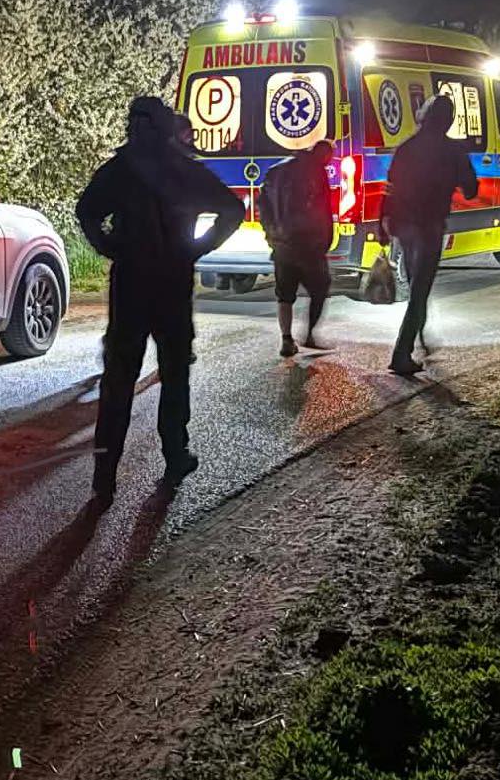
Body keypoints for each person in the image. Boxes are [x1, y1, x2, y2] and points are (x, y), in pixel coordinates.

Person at [76, 97, 242, 504]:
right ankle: (175, 455)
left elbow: (87, 212)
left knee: (119, 381)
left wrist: (109, 247)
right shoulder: (183, 170)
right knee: (174, 374)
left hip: (131, 284)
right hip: (171, 284)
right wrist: (196, 248)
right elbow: (232, 210)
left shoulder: (120, 170)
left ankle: (104, 477)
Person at [381, 95, 481, 378]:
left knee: (417, 285)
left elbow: (390, 188)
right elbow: (471, 189)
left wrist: (382, 224)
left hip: (403, 226)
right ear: (448, 121)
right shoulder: (453, 151)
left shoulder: (406, 148)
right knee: (420, 290)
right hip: (429, 227)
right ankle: (402, 353)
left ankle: (420, 336)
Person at [258, 138, 333, 358]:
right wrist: (325, 241)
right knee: (320, 287)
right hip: (308, 245)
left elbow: (263, 205)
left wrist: (271, 234)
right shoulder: (316, 172)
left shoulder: (275, 171)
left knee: (284, 295)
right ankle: (309, 335)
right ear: (324, 155)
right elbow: (322, 209)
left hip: (282, 245)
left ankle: (286, 340)